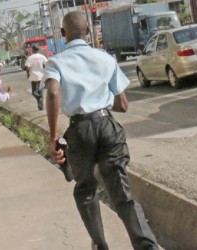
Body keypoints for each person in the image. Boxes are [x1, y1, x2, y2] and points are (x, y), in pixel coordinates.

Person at [42, 11, 158, 250]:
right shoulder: (105, 58)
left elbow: (53, 93)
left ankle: (101, 244)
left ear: (63, 34)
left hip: (80, 130)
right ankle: (147, 246)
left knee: (85, 190)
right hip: (107, 125)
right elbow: (123, 104)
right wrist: (100, 99)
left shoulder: (56, 62)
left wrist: (53, 136)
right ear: (88, 32)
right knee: (121, 191)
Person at [25, 45, 48, 111]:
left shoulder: (30, 58)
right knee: (40, 91)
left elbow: (27, 67)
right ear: (38, 50)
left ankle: (39, 99)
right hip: (41, 76)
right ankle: (41, 107)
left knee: (34, 92)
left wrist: (28, 74)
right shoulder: (42, 56)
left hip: (34, 76)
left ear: (32, 49)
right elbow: (47, 64)